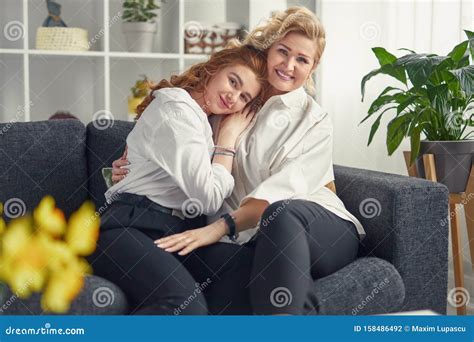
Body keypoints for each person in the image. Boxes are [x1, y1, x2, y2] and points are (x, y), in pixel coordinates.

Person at [111, 7, 366, 315]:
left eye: (302, 59)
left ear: (312, 69)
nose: (288, 65)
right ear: (268, 49)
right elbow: (176, 150)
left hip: (318, 227)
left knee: (281, 216)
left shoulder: (314, 120)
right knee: (232, 276)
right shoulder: (227, 107)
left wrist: (219, 228)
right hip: (252, 236)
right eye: (282, 52)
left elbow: (284, 189)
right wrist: (126, 168)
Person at [89, 44, 268, 315]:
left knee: (244, 265)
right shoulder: (176, 108)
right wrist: (227, 141)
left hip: (178, 232)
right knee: (186, 307)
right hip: (130, 228)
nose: (233, 97)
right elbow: (207, 197)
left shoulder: (204, 121)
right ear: (214, 68)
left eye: (244, 97)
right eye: (233, 81)